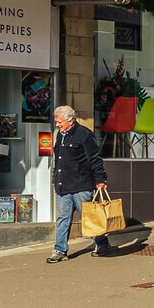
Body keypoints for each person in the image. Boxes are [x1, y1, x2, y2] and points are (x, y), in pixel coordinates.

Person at [48, 104, 113, 263]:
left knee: (89, 217)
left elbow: (95, 159)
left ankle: (102, 243)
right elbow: (58, 160)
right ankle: (60, 250)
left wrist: (100, 180)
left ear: (70, 120)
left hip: (81, 185)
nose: (57, 124)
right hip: (63, 185)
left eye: (60, 122)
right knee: (63, 218)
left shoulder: (84, 134)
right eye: (56, 122)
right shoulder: (60, 135)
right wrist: (55, 179)